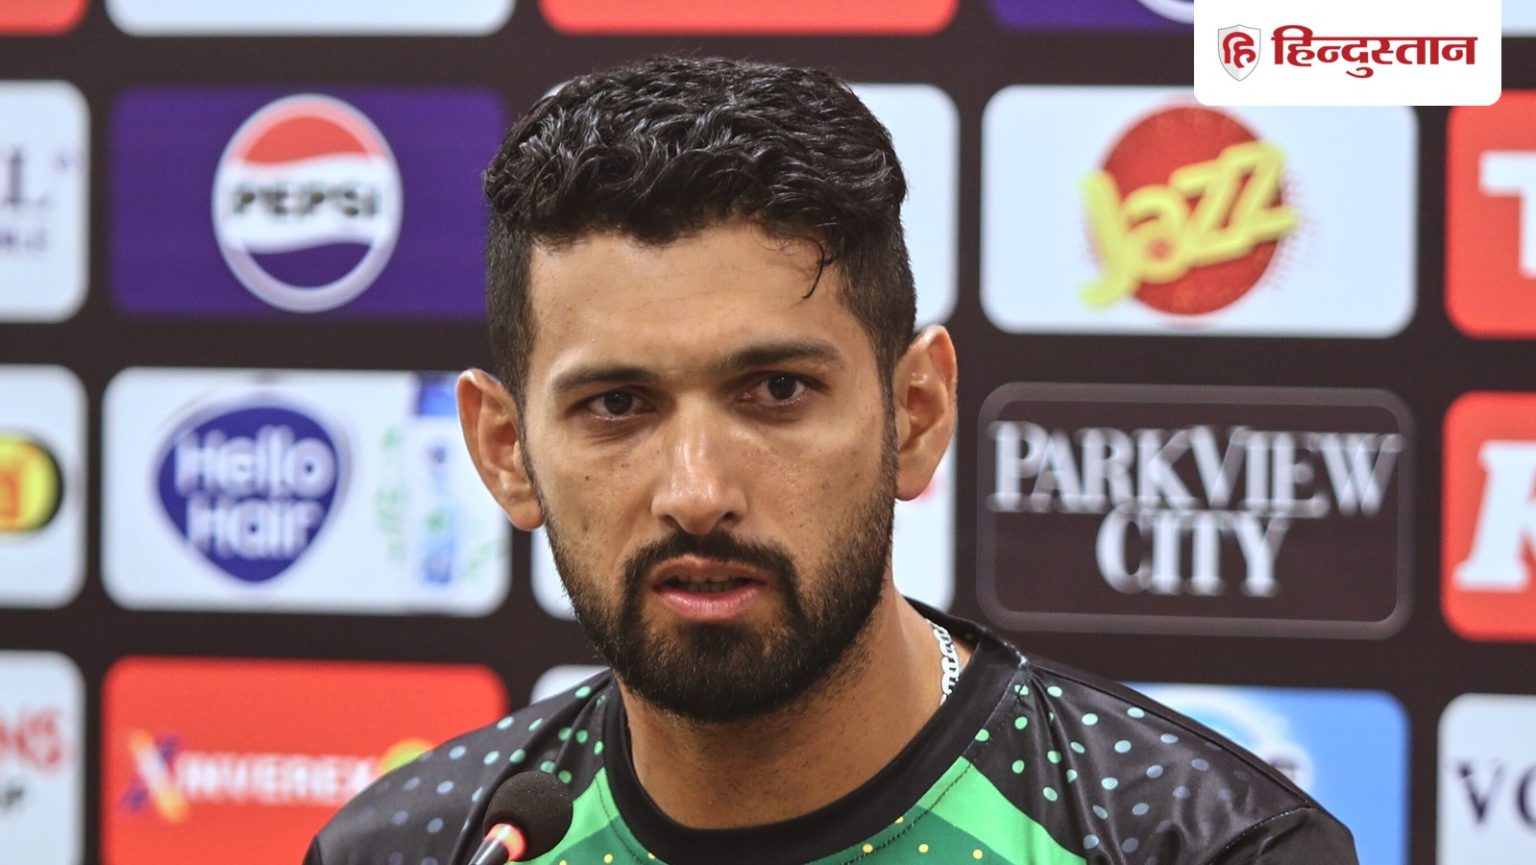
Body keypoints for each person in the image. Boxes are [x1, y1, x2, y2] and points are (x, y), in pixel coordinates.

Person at [305, 55, 1358, 865]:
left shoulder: (1194, 845)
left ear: (917, 412)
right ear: (507, 451)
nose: (698, 493)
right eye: (617, 405)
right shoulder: (419, 849)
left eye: (776, 391)